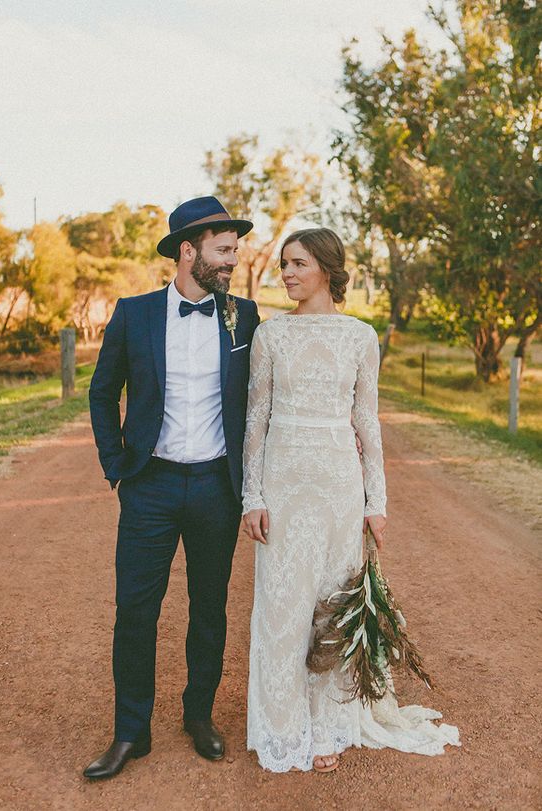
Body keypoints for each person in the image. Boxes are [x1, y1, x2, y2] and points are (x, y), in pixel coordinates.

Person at [242, 227, 460, 773]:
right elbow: (255, 421)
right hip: (284, 481)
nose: (287, 273)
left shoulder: (361, 337)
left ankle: (328, 723)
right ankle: (283, 725)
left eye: (297, 264)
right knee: (283, 601)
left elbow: (367, 421)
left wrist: (375, 501)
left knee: (333, 604)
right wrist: (252, 495)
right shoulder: (270, 336)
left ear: (325, 268)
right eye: (285, 264)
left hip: (340, 481)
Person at [84, 196, 259, 780]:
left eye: (234, 249)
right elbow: (102, 393)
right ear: (190, 250)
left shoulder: (245, 317)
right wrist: (117, 468)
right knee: (135, 611)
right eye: (224, 248)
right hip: (149, 487)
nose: (233, 259)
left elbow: (266, 400)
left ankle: (199, 716)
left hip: (216, 486)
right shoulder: (133, 314)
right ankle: (131, 732)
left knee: (209, 608)